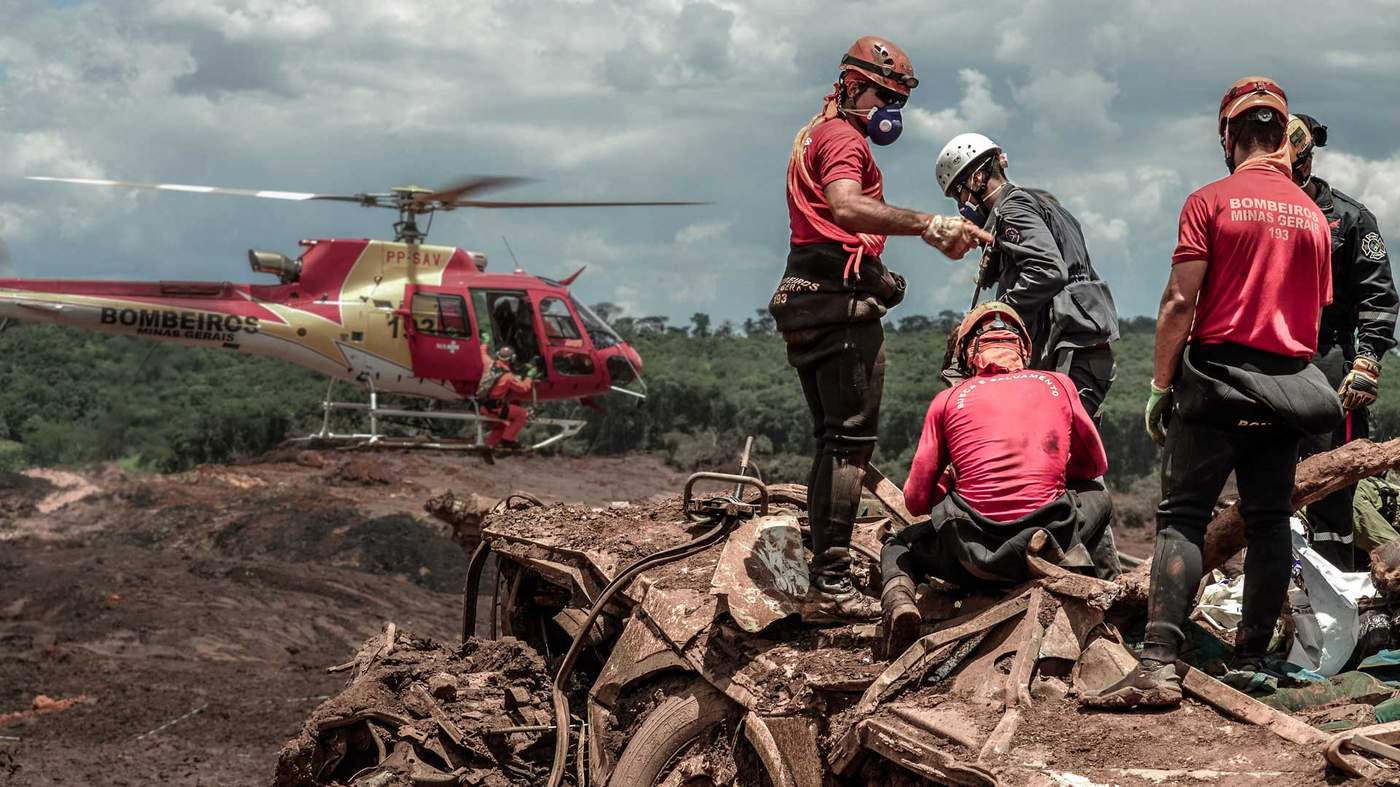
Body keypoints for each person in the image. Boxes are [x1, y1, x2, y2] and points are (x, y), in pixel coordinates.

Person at [1083, 77, 1338, 709]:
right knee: (1270, 520)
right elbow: (1312, 314)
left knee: (1181, 519)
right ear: (1282, 138)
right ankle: (1255, 659)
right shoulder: (1312, 217)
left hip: (1218, 381)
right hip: (1288, 388)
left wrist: (1160, 385)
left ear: (1229, 137)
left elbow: (1178, 301)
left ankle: (1159, 664)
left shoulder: (1210, 201)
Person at [768, 35, 990, 623]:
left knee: (830, 441)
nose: (891, 110)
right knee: (849, 443)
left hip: (806, 297)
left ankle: (825, 568)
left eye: (898, 99)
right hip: (838, 314)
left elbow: (825, 230)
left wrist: (878, 273)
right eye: (885, 95)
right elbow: (844, 206)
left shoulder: (813, 132)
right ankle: (831, 582)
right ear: (852, 84)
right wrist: (931, 223)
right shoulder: (842, 139)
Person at [881, 301, 1116, 656]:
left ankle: (900, 604)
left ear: (967, 356)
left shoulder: (946, 400)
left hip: (973, 558)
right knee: (1099, 496)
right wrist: (1045, 469)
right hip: (1047, 541)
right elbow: (1093, 466)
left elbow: (915, 502)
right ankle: (1083, 578)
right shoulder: (1058, 385)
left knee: (898, 546)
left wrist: (951, 484)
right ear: (1023, 348)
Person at [934, 134, 1120, 415]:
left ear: (975, 180)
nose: (961, 205)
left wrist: (992, 314)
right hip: (1081, 346)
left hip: (1069, 350)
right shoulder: (1043, 204)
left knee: (1057, 449)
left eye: (958, 194)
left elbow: (1048, 270)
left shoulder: (1013, 209)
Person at [1286, 113, 1399, 570]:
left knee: (1333, 484)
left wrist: (1367, 362)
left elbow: (1378, 297)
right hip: (1261, 361)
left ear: (1307, 165)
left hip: (1328, 358)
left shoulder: (1350, 219)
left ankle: (1340, 588)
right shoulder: (1246, 208)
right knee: (1269, 481)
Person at [477, 346, 534, 450]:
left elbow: (482, 352)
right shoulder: (508, 377)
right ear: (512, 359)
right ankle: (508, 440)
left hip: (482, 407)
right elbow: (524, 388)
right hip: (495, 409)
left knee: (501, 426)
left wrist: (485, 342)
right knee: (523, 414)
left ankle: (488, 447)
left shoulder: (488, 363)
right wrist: (530, 376)